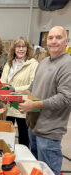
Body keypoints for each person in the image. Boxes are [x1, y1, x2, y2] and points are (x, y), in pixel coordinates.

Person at [19, 26, 71, 175]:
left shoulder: (67, 64)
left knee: (48, 171)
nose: (54, 41)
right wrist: (15, 93)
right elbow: (34, 86)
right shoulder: (44, 62)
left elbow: (66, 98)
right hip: (34, 126)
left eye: (58, 37)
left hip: (49, 131)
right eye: (50, 38)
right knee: (35, 169)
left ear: (66, 41)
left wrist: (34, 105)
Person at [0, 37, 39, 147]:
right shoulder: (9, 63)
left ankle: (24, 159)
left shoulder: (32, 64)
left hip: (22, 105)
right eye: (18, 46)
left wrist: (15, 89)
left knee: (24, 137)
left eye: (23, 46)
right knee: (6, 135)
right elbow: (3, 80)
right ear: (14, 48)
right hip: (8, 105)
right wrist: (2, 88)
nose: (21, 49)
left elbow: (33, 84)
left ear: (27, 49)